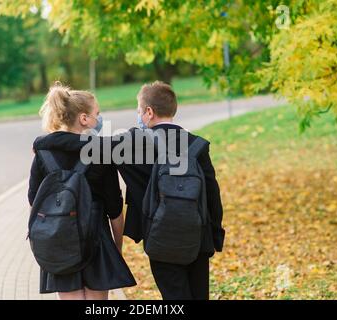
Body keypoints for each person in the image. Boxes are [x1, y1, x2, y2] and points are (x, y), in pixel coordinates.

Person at [34, 81, 224, 300]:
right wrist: (215, 235)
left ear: (149, 112)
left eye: (138, 111)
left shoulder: (132, 143)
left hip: (161, 237)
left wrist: (43, 143)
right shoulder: (197, 145)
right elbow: (212, 193)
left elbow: (87, 146)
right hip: (198, 237)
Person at [28, 82, 136, 300]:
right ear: (83, 119)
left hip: (60, 237)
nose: (100, 119)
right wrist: (116, 247)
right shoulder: (100, 153)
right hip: (96, 236)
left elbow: (34, 199)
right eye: (97, 114)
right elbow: (115, 209)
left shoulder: (43, 151)